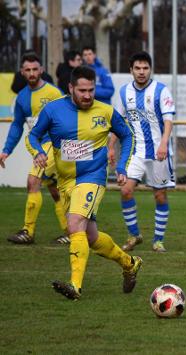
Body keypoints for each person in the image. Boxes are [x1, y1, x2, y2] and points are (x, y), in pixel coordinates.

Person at [28, 65, 142, 300]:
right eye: (82, 90)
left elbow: (128, 135)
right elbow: (33, 135)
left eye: (91, 90)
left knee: (74, 223)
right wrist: (38, 151)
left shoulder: (106, 111)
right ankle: (129, 263)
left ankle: (75, 286)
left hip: (93, 177)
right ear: (70, 88)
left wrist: (121, 166)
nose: (88, 95)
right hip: (66, 181)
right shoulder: (53, 110)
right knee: (89, 237)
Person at [108, 51, 176, 253]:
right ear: (131, 70)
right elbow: (118, 122)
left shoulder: (161, 91)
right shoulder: (123, 93)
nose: (141, 72)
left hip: (158, 152)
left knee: (160, 196)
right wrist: (111, 146)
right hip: (135, 152)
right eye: (137, 68)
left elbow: (168, 120)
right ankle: (134, 234)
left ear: (150, 69)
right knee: (125, 190)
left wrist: (164, 143)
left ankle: (158, 240)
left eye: (145, 68)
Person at [1, 53, 69, 245]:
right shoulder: (22, 97)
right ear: (22, 72)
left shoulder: (54, 93)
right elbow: (17, 126)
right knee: (54, 189)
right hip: (39, 145)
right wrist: (6, 150)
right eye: (27, 70)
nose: (31, 73)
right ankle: (71, 232)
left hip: (53, 145)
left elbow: (68, 118)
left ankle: (27, 231)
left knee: (33, 181)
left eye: (35, 69)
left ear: (42, 70)